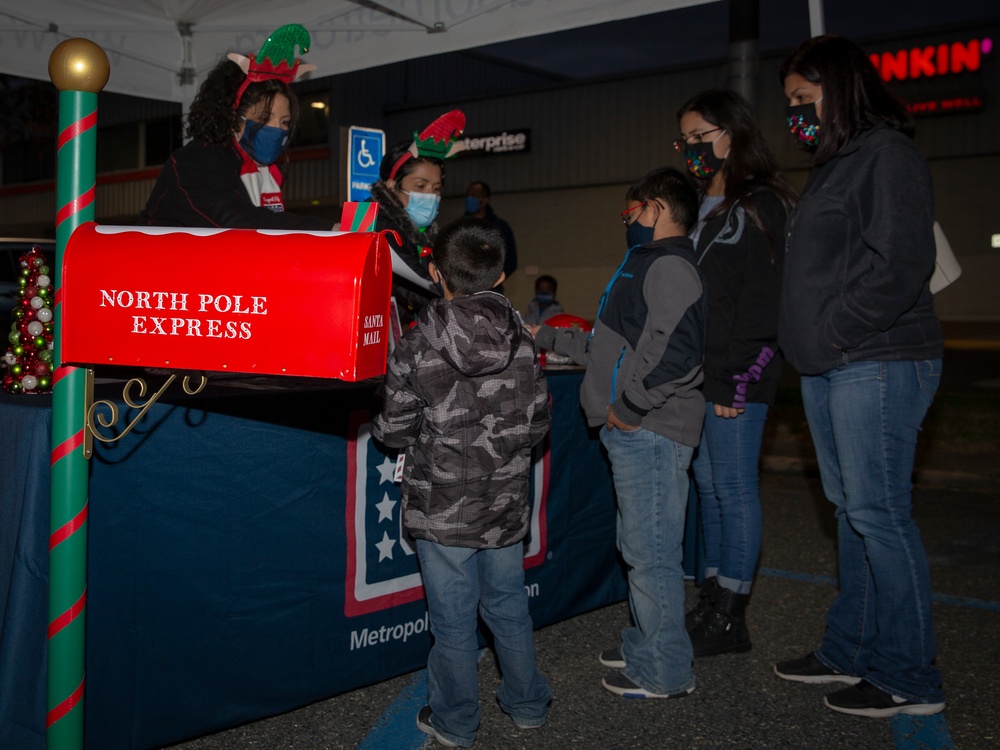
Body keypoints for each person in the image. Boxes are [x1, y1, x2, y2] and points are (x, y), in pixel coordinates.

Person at [772, 34, 946, 718]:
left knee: (880, 515)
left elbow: (903, 263)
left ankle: (910, 675)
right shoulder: (836, 163)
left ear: (838, 87)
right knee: (853, 514)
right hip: (831, 365)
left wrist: (833, 330)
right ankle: (851, 648)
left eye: (801, 98)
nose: (794, 114)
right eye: (789, 103)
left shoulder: (886, 154)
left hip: (875, 359)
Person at [370, 217, 552, 747]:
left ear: (434, 272)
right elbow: (538, 422)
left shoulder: (418, 343)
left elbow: (393, 429)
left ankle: (455, 722)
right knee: (508, 604)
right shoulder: (522, 337)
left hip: (442, 505)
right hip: (504, 501)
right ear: (500, 277)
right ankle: (527, 705)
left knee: (452, 621)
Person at [532, 167, 705, 699]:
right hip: (638, 426)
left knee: (651, 552)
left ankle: (665, 670)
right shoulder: (644, 262)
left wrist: (628, 408)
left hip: (650, 427)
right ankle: (645, 646)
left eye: (630, 212)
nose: (626, 222)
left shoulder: (671, 266)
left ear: (656, 208)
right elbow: (609, 349)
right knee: (640, 546)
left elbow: (676, 352)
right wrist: (543, 336)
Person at [674, 89, 796, 657]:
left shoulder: (759, 201)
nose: (693, 149)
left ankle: (731, 614)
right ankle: (713, 596)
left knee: (734, 487)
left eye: (703, 136)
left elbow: (763, 300)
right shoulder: (706, 204)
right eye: (687, 140)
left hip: (737, 374)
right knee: (709, 486)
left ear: (733, 132)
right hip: (701, 374)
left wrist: (738, 375)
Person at [142, 24, 332, 231]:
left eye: (284, 122)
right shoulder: (195, 162)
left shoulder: (265, 172)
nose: (277, 130)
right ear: (232, 115)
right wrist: (326, 229)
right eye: (264, 117)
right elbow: (237, 220)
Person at [368, 111, 467, 323]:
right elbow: (407, 281)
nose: (430, 195)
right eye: (420, 186)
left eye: (437, 188)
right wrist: (457, 300)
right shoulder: (376, 224)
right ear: (392, 185)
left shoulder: (427, 234)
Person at [464, 181, 518, 284]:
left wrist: (491, 282)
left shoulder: (500, 227)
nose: (470, 198)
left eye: (475, 195)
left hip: (492, 287)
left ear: (485, 199)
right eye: (468, 195)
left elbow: (511, 262)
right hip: (464, 288)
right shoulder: (460, 226)